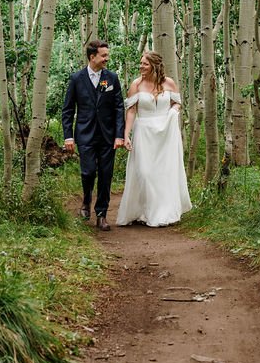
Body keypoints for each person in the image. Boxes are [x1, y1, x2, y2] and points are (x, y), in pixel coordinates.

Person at [115, 51, 192, 227]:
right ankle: (144, 210)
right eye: (141, 63)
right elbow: (132, 111)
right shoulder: (136, 85)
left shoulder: (169, 83)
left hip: (165, 133)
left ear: (155, 65)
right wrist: (126, 135)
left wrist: (173, 112)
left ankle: (161, 212)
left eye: (145, 64)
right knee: (145, 172)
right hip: (144, 132)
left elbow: (177, 103)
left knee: (163, 173)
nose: (141, 66)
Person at [62, 40, 126, 231]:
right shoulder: (76, 79)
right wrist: (68, 136)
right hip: (85, 135)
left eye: (107, 55)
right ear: (92, 57)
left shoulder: (112, 78)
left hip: (108, 137)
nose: (107, 58)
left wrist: (119, 135)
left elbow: (118, 108)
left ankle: (101, 215)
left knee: (106, 175)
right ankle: (87, 199)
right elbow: (67, 110)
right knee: (88, 171)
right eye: (104, 55)